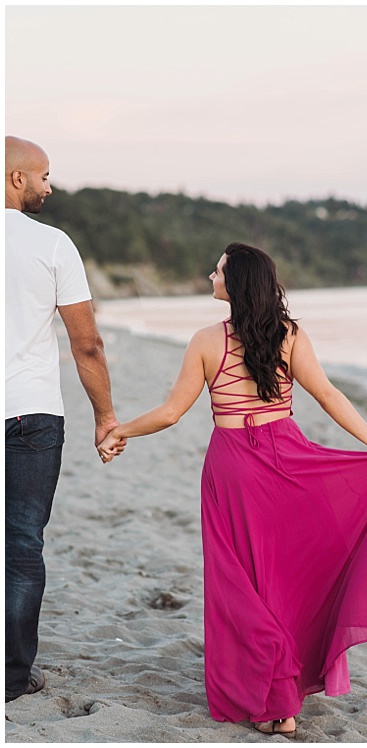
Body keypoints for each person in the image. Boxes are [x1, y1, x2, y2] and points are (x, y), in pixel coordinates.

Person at [98, 242, 367, 736]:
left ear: (235, 281)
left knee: (241, 583)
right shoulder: (288, 334)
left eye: (217, 269)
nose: (208, 276)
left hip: (234, 467)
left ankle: (274, 702)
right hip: (287, 459)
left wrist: (119, 430)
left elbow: (171, 413)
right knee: (285, 577)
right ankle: (283, 697)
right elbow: (327, 394)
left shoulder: (205, 341)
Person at [5, 136, 119, 702]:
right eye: (44, 176)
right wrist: (105, 417)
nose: (50, 186)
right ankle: (11, 677)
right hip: (31, 414)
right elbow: (87, 344)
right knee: (22, 546)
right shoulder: (53, 245)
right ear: (16, 179)